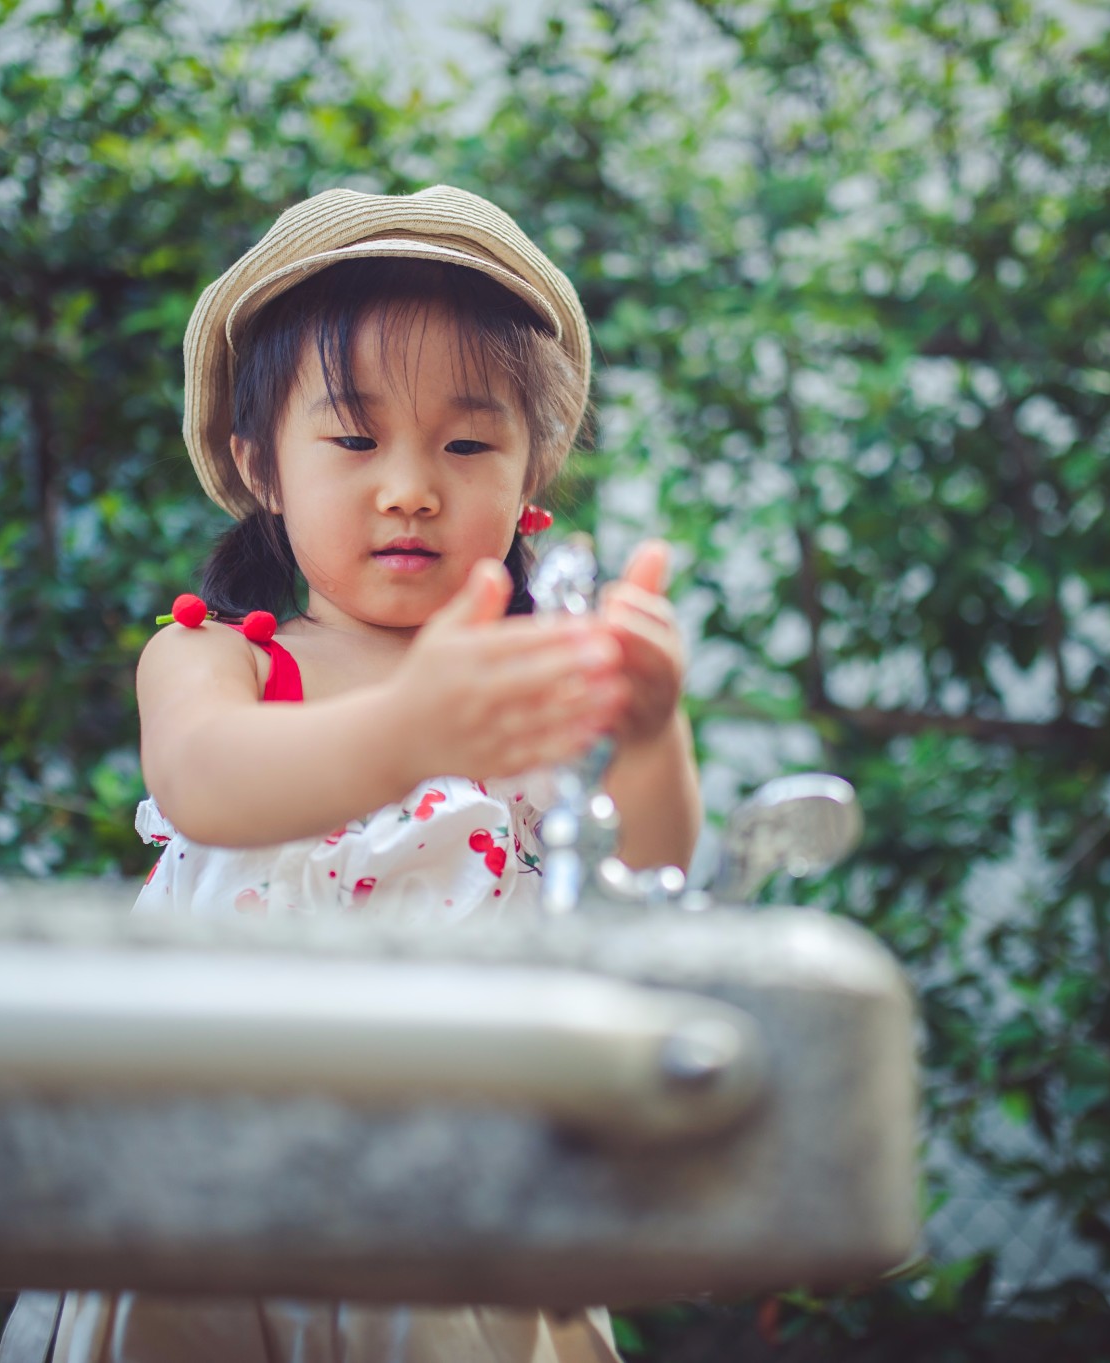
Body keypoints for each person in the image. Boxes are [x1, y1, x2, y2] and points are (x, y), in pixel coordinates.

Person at [36, 185, 701, 1363]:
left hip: (454, 1191)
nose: (409, 485)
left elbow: (643, 873)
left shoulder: (521, 688)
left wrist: (644, 734)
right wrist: (408, 728)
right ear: (260, 467)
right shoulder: (214, 656)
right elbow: (208, 782)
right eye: (352, 439)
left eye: (466, 442)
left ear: (528, 473)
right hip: (213, 1174)